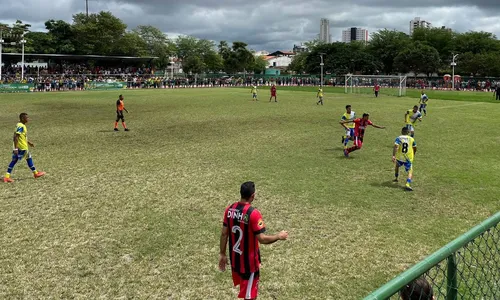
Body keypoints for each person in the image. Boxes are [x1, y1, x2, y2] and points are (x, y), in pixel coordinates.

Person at [219, 181, 288, 300]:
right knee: (250, 296)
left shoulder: (229, 210)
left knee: (246, 293)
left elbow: (224, 234)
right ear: (253, 196)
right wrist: (278, 236)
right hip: (249, 265)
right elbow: (262, 239)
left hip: (236, 261)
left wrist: (222, 253)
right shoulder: (253, 214)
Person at [3, 113, 46, 183]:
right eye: (27, 118)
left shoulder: (20, 125)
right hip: (21, 147)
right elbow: (16, 137)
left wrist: (29, 143)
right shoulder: (21, 126)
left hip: (22, 147)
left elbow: (22, 136)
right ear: (22, 118)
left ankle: (35, 173)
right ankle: (7, 177)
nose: (28, 119)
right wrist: (16, 148)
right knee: (18, 160)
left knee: (25, 159)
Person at [392, 127, 417, 191]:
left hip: (400, 157)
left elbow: (396, 146)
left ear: (401, 131)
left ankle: (396, 177)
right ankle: (407, 184)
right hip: (408, 158)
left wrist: (393, 156)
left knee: (397, 166)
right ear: (408, 132)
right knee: (410, 171)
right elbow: (415, 147)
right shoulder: (411, 139)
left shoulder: (398, 138)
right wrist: (414, 153)